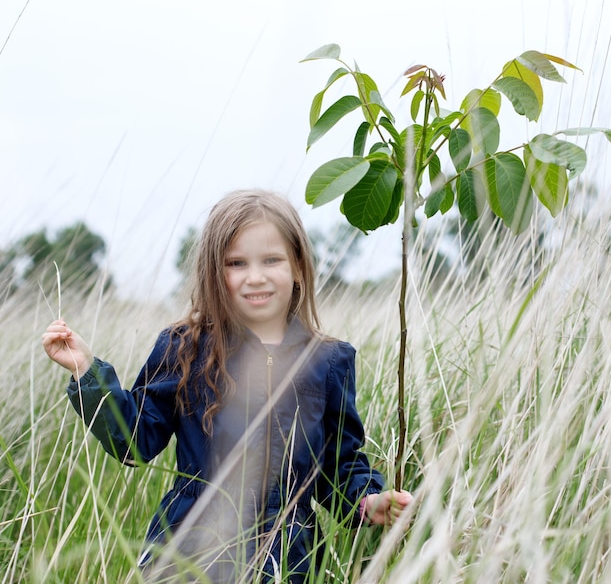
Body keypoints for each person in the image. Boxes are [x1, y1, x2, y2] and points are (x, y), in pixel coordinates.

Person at [42, 189, 413, 582]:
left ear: (298, 267)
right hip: (191, 550)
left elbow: (339, 465)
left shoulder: (329, 361)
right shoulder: (183, 347)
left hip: (290, 556)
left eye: (271, 260)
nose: (256, 276)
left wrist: (367, 499)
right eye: (237, 263)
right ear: (214, 273)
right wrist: (86, 371)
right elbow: (136, 439)